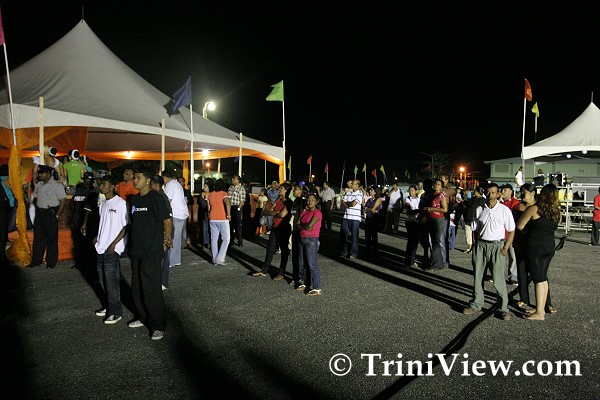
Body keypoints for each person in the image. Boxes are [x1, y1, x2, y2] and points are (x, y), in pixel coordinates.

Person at [127, 169, 172, 341]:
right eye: (134, 178)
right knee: (137, 287)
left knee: (151, 289)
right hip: (136, 249)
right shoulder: (134, 199)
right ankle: (142, 316)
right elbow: (133, 223)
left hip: (152, 250)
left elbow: (167, 221)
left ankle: (158, 325)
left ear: (147, 180)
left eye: (138, 178)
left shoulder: (156, 198)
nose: (134, 181)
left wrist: (166, 241)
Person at [463, 183, 514, 321]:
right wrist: (474, 244)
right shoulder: (480, 209)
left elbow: (511, 230)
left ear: (498, 194)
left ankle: (503, 308)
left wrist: (506, 247)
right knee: (478, 276)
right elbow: (474, 228)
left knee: (498, 279)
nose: (490, 195)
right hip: (481, 245)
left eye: (493, 192)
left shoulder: (504, 210)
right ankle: (476, 304)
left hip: (497, 246)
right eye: (488, 192)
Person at [517, 184, 561, 321]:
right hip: (549, 246)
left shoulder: (534, 209)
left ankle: (539, 313)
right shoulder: (557, 212)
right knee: (543, 277)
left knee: (538, 279)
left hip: (535, 247)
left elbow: (520, 225)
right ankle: (540, 308)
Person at [93, 175, 128, 324]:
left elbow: (126, 226)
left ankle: (115, 311)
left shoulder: (120, 203)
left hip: (112, 249)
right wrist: (97, 237)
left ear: (113, 186)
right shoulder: (103, 204)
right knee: (103, 281)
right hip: (101, 247)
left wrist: (114, 244)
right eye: (101, 184)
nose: (101, 187)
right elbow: (105, 224)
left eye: (104, 184)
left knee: (111, 281)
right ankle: (108, 305)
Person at [29, 165, 67, 269]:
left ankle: (51, 262)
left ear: (48, 174)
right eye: (39, 173)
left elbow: (63, 201)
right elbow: (35, 198)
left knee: (51, 239)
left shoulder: (57, 186)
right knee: (38, 238)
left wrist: (58, 215)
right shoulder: (39, 185)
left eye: (42, 173)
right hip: (40, 213)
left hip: (50, 213)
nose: (40, 175)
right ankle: (36, 260)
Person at [253, 183, 293, 279]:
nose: (279, 190)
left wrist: (273, 213)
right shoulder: (278, 200)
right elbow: (267, 211)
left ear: (286, 190)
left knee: (284, 251)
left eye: (281, 188)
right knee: (270, 249)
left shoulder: (289, 202)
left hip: (283, 228)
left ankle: (281, 273)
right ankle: (264, 270)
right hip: (275, 227)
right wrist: (276, 213)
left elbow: (282, 214)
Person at [296, 193, 323, 295]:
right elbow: (297, 224)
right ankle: (305, 282)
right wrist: (305, 226)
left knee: (312, 264)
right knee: (302, 263)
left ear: (316, 202)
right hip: (302, 238)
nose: (310, 201)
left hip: (311, 240)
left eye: (312, 200)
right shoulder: (305, 211)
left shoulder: (317, 213)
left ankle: (317, 287)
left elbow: (309, 225)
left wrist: (303, 226)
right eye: (308, 199)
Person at [161, 170, 189, 267]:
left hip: (176, 214)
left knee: (173, 237)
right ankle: (176, 260)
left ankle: (172, 260)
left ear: (165, 178)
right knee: (177, 238)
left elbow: (167, 200)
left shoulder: (170, 184)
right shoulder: (176, 184)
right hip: (181, 213)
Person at [150, 175, 173, 290]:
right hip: (162, 230)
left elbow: (167, 219)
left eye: (151, 184)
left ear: (156, 185)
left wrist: (167, 235)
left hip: (164, 231)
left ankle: (163, 282)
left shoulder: (160, 197)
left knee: (163, 258)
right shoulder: (159, 196)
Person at [422, 179, 448, 271]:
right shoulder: (433, 195)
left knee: (436, 243)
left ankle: (436, 264)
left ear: (441, 187)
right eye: (435, 184)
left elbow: (445, 209)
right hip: (431, 219)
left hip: (438, 220)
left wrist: (432, 209)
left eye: (438, 184)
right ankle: (439, 263)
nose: (436, 185)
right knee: (434, 242)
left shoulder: (441, 196)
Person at [207, 179, 231, 265]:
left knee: (214, 239)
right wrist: (229, 214)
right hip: (222, 218)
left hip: (212, 218)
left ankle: (214, 258)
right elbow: (227, 203)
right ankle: (220, 258)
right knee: (226, 238)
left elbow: (208, 208)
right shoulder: (224, 193)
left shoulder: (211, 194)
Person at [500, 183, 520, 285]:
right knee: (499, 256)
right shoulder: (498, 202)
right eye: (502, 190)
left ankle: (513, 276)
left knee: (513, 256)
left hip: (510, 234)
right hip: (499, 234)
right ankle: (497, 275)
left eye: (505, 190)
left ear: (511, 191)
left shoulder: (515, 203)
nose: (502, 192)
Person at [339, 179, 363, 259]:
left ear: (357, 186)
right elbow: (343, 203)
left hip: (355, 218)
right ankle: (344, 251)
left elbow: (353, 204)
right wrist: (348, 204)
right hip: (346, 217)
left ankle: (353, 253)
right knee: (343, 235)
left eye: (353, 183)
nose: (351, 184)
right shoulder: (348, 193)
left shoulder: (359, 194)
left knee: (354, 236)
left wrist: (347, 204)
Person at [404, 184, 420, 268]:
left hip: (417, 222)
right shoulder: (407, 199)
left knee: (415, 242)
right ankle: (407, 262)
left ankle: (412, 260)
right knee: (410, 242)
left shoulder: (419, 199)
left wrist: (417, 211)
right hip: (410, 221)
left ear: (416, 191)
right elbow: (409, 209)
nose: (411, 192)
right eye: (410, 191)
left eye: (412, 190)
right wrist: (417, 211)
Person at [364, 186, 382, 260]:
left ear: (375, 192)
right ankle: (367, 252)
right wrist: (369, 209)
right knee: (367, 236)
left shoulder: (378, 199)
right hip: (368, 218)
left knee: (374, 236)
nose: (370, 191)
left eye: (371, 190)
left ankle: (375, 253)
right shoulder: (369, 199)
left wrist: (368, 209)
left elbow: (373, 209)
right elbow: (365, 208)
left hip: (374, 219)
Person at [227, 175, 246, 247]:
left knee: (238, 225)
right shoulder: (230, 188)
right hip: (230, 207)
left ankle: (240, 241)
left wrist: (238, 208)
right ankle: (231, 239)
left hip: (237, 207)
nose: (232, 180)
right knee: (230, 224)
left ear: (238, 180)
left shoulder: (241, 188)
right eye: (232, 179)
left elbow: (242, 200)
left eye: (234, 179)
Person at [177, 177, 194, 248]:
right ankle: (177, 242)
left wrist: (187, 200)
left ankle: (183, 243)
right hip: (176, 211)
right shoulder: (175, 191)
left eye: (181, 181)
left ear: (184, 182)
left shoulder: (186, 192)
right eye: (178, 181)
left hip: (184, 212)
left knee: (184, 228)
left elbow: (192, 202)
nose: (179, 183)